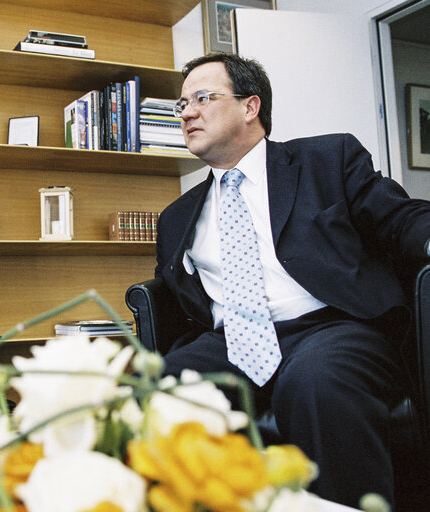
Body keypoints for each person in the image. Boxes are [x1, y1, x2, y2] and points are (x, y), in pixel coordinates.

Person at [155, 52, 430, 509]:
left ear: (250, 107)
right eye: (181, 104)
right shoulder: (176, 216)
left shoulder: (326, 159)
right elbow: (182, 303)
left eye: (203, 97)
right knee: (156, 392)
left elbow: (399, 218)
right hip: (230, 341)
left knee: (316, 382)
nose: (187, 112)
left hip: (331, 327)